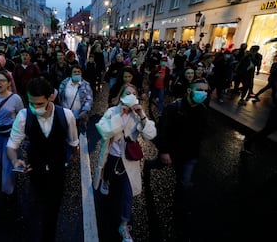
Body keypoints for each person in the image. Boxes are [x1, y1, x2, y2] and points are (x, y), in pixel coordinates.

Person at [7, 77, 79, 242]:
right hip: (35, 169)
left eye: (39, 104)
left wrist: (74, 154)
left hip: (58, 170)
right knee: (39, 199)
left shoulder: (66, 116)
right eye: (31, 103)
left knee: (52, 209)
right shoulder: (24, 116)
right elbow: (12, 145)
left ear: (50, 97)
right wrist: (15, 161)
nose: (34, 108)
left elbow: (73, 141)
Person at [94, 83, 156, 242]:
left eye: (133, 93)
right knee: (108, 187)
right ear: (121, 96)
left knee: (127, 194)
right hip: (111, 158)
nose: (130, 95)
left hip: (129, 161)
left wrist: (141, 114)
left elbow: (150, 135)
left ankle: (124, 224)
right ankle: (106, 182)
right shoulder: (112, 111)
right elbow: (105, 131)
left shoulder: (137, 114)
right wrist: (120, 116)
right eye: (127, 93)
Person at [154, 78, 209, 240]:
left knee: (184, 182)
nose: (203, 94)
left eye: (206, 91)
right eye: (200, 90)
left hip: (190, 155)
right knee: (158, 164)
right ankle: (149, 165)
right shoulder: (174, 108)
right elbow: (162, 131)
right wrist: (164, 151)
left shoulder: (203, 109)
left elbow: (202, 132)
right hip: (171, 152)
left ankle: (178, 208)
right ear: (189, 91)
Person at [58, 64, 93, 134]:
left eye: (78, 72)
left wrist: (85, 110)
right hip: (67, 115)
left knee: (78, 133)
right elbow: (60, 97)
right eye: (74, 72)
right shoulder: (64, 83)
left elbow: (89, 99)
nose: (77, 73)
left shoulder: (86, 84)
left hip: (80, 116)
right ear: (71, 73)